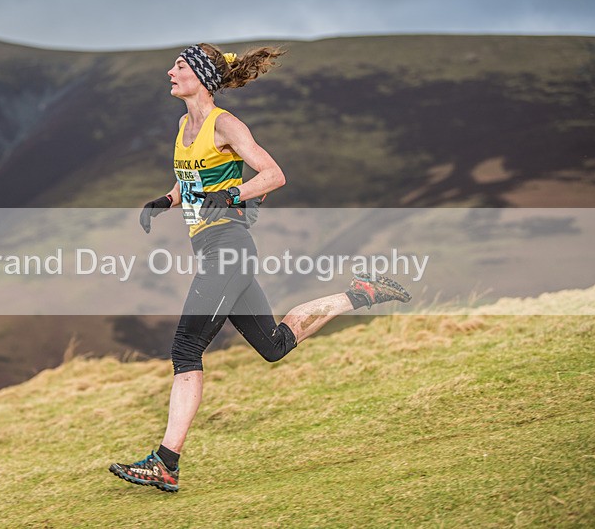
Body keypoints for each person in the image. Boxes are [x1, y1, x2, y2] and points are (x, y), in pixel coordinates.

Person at [109, 43, 411, 493]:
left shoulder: (225, 123)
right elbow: (192, 177)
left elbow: (272, 175)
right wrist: (168, 200)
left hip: (228, 248)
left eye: (179, 65)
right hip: (213, 249)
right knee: (273, 346)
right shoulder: (183, 125)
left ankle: (165, 462)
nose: (169, 71)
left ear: (201, 75)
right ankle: (362, 293)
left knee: (186, 349)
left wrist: (232, 196)